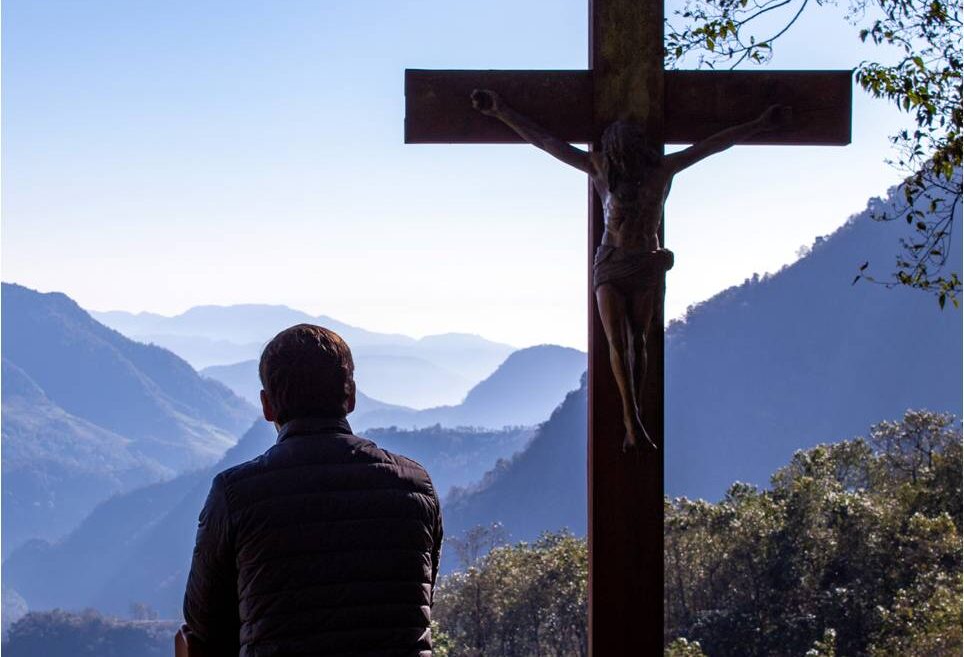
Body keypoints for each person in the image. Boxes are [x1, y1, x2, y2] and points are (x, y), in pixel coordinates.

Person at [472, 89, 789, 451]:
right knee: (617, 342)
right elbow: (547, 142)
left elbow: (715, 144)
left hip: (644, 263)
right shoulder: (600, 170)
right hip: (610, 263)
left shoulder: (661, 171)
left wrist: (760, 125)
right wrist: (502, 111)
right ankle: (630, 418)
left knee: (639, 340)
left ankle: (634, 414)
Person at [181, 324, 443, 656]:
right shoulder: (415, 486)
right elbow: (419, 598)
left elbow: (204, 626)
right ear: (350, 396)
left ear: (267, 406)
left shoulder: (236, 495)